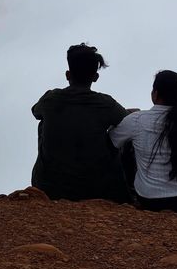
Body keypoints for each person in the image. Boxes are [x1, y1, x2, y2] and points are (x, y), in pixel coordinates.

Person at [31, 43, 134, 203]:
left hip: (50, 187)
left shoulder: (50, 99)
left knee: (44, 123)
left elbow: (35, 111)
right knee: (124, 129)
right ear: (95, 77)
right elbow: (127, 121)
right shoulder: (106, 104)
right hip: (98, 188)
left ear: (67, 74)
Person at [110, 70, 177, 213]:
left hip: (150, 201)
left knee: (127, 144)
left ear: (155, 93)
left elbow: (113, 140)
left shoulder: (136, 120)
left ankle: (130, 192)